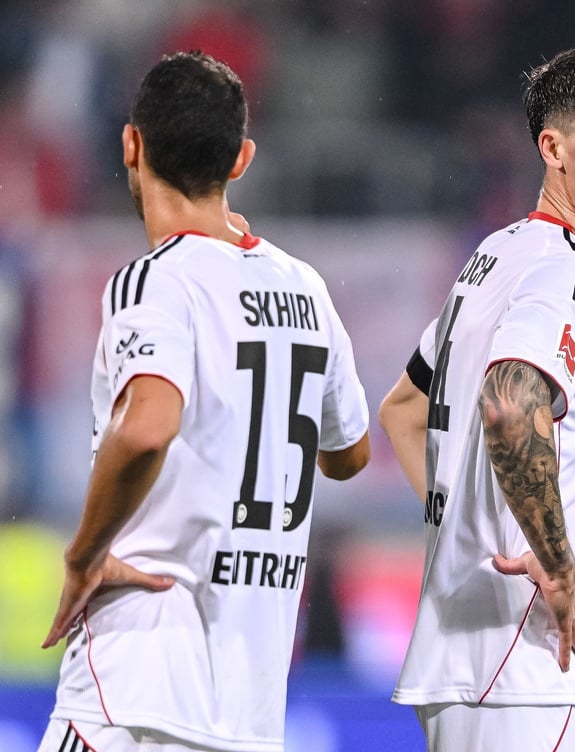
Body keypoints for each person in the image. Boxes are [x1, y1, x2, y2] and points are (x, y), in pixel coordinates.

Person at [36, 50, 371, 752]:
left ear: (132, 144)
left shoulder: (154, 283)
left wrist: (84, 555)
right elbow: (349, 452)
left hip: (134, 690)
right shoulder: (303, 288)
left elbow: (147, 427)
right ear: (241, 158)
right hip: (249, 709)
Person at [378, 44, 575, 751]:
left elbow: (404, 412)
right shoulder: (570, 275)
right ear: (554, 148)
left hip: (465, 669)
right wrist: (559, 567)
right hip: (525, 673)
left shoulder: (495, 256)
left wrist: (469, 540)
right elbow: (510, 403)